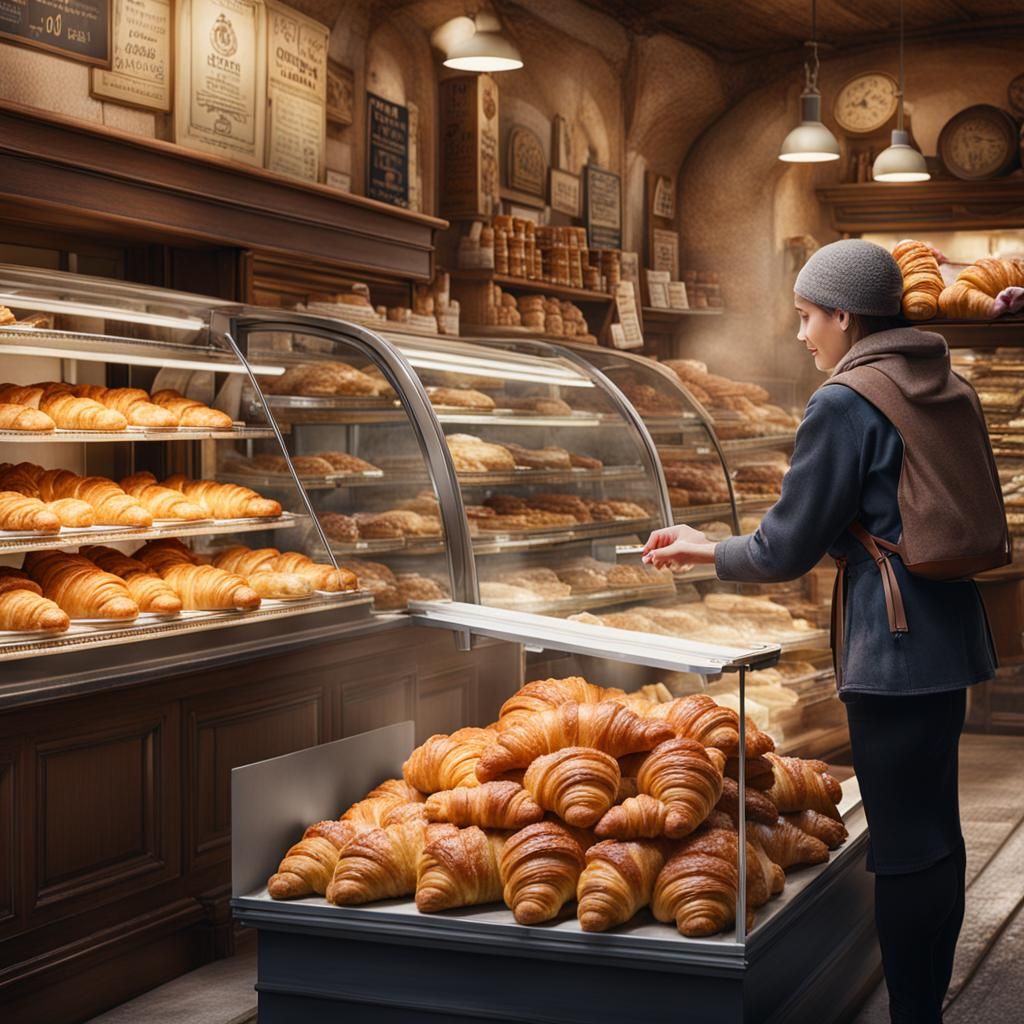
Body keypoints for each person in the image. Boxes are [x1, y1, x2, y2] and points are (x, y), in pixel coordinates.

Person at [642, 239, 997, 1024]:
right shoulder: (944, 378)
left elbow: (785, 547)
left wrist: (706, 549)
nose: (802, 335)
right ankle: (926, 1003)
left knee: (902, 846)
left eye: (807, 317)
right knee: (935, 828)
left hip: (893, 646)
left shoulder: (847, 399)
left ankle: (912, 1015)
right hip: (949, 634)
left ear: (844, 314)